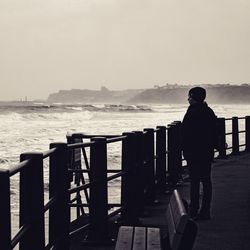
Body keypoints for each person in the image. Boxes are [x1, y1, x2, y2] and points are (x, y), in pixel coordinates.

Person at [182, 87, 217, 220]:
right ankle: (205, 211)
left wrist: (184, 150)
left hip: (194, 153)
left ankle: (193, 210)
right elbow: (214, 132)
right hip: (207, 152)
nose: (188, 99)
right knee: (206, 180)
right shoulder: (209, 111)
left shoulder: (191, 113)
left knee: (195, 181)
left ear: (193, 97)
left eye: (189, 96)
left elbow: (186, 135)